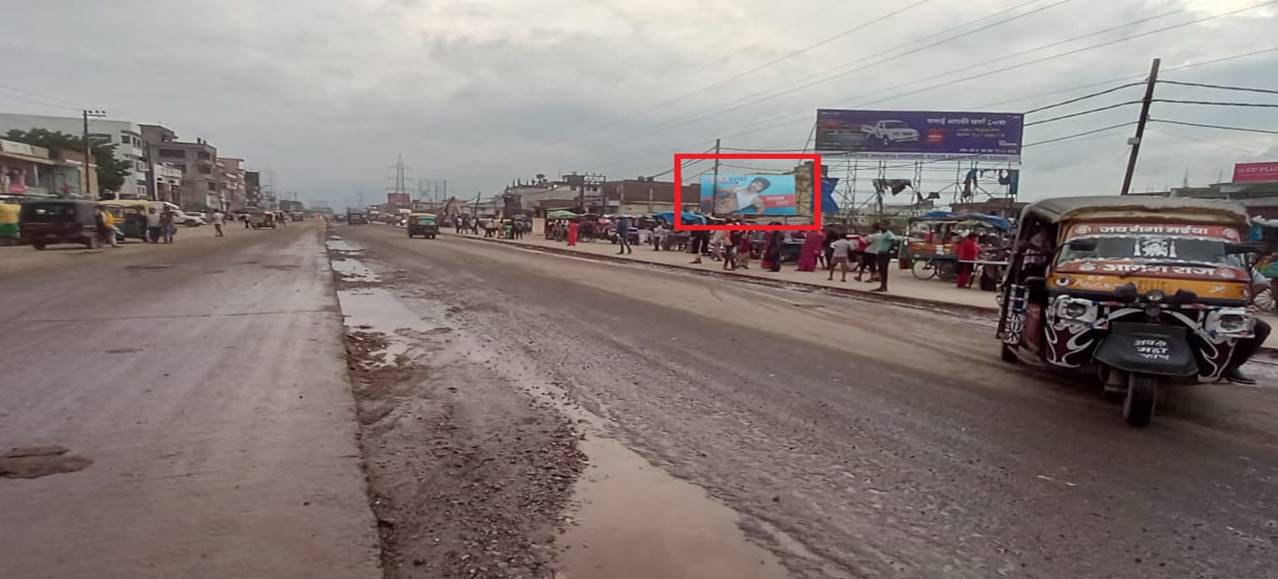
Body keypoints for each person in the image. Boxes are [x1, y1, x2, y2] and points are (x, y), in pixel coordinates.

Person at [866, 222, 897, 292]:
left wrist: (888, 250)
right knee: (881, 270)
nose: (881, 227)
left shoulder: (889, 233)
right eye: (880, 226)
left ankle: (884, 286)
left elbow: (894, 241)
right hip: (879, 253)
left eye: (883, 226)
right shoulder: (881, 234)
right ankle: (882, 286)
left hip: (885, 254)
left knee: (883, 270)